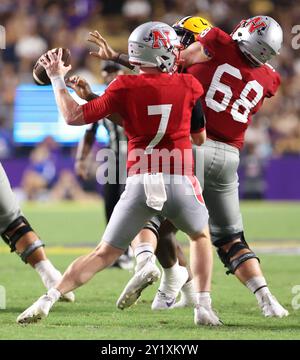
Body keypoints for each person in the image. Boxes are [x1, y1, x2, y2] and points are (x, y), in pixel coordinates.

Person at [17, 21, 221, 326]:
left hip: (141, 180)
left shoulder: (123, 87)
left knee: (102, 254)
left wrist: (57, 78)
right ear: (163, 53)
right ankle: (202, 307)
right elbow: (199, 138)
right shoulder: (189, 85)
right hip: (180, 178)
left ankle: (48, 299)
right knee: (199, 236)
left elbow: (74, 117)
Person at [91, 15, 289, 317]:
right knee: (230, 238)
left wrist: (120, 57)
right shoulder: (270, 78)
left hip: (194, 146)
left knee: (149, 215)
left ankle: (151, 268)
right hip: (229, 158)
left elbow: (163, 67)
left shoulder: (217, 45)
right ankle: (267, 300)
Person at [69, 60, 133, 269]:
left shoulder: (133, 94)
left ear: (122, 71)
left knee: (131, 205)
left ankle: (134, 250)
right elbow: (90, 131)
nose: (109, 75)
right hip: (114, 158)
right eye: (106, 71)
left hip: (137, 158)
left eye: (113, 70)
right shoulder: (103, 99)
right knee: (110, 203)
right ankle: (116, 251)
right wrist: (81, 159)